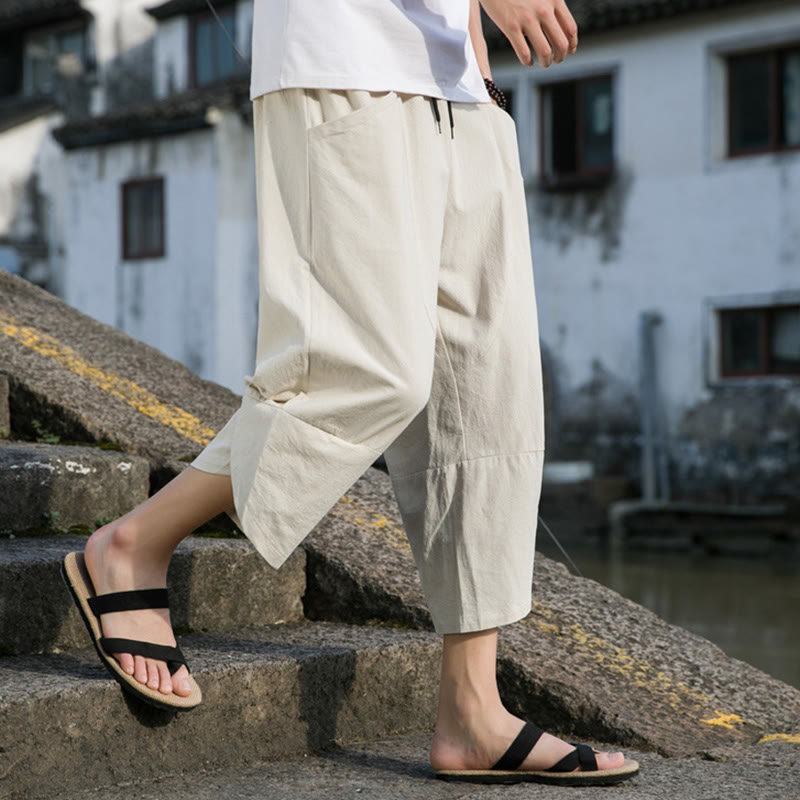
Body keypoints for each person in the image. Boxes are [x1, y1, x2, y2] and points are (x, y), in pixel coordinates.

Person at [63, 0, 639, 786]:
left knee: (486, 398)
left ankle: (473, 709)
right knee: (365, 369)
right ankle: (132, 545)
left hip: (462, 87)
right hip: (345, 56)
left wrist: (476, 56)